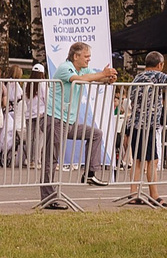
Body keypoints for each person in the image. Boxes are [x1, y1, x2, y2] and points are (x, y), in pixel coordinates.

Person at [37, 41, 115, 210]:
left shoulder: (82, 69)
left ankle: (89, 173)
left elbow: (93, 77)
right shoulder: (66, 68)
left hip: (68, 122)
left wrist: (108, 79)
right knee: (52, 159)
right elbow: (80, 80)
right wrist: (103, 73)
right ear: (75, 56)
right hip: (55, 119)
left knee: (95, 134)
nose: (88, 60)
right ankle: (48, 198)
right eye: (86, 57)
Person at [124, 51, 167, 207]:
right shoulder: (155, 75)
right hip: (147, 125)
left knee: (137, 161)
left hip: (134, 124)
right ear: (160, 65)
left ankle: (133, 193)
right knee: (152, 160)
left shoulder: (138, 77)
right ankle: (154, 195)